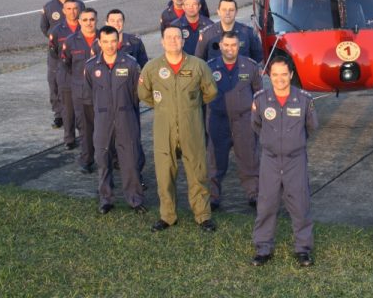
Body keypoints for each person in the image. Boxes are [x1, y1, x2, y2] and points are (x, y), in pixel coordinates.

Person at [138, 26, 218, 233]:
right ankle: (167, 215)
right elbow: (144, 94)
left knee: (197, 170)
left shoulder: (198, 66)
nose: (173, 40)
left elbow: (210, 92)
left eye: (177, 37)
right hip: (164, 128)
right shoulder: (152, 68)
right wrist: (166, 108)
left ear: (183, 41)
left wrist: (188, 107)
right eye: (169, 37)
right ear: (162, 42)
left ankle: (203, 215)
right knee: (164, 173)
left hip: (191, 126)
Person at [250, 56, 318, 267]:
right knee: (266, 204)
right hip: (270, 160)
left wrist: (292, 143)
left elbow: (311, 127)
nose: (279, 79)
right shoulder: (260, 99)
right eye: (275, 74)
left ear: (291, 75)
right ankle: (263, 247)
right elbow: (256, 125)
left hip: (295, 160)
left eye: (283, 74)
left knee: (299, 204)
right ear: (269, 76)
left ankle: (303, 248)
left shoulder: (304, 99)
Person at [84, 26, 146, 215]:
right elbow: (89, 94)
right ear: (99, 43)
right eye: (105, 41)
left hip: (126, 118)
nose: (110, 45)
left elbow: (138, 94)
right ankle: (106, 199)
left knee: (130, 160)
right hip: (103, 119)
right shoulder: (91, 66)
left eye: (113, 41)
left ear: (118, 41)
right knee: (103, 159)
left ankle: (134, 199)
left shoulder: (130, 64)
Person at [206, 32, 264, 211]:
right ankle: (213, 196)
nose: (230, 49)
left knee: (249, 158)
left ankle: (254, 194)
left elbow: (258, 93)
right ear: (220, 46)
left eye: (233, 45)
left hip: (244, 121)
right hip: (218, 121)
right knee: (215, 160)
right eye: (226, 45)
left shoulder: (250, 66)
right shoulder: (209, 67)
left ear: (238, 46)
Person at [41, 0, 85, 129]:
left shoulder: (79, 5)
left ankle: (79, 114)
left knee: (77, 82)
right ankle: (59, 115)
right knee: (54, 83)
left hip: (76, 52)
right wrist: (56, 40)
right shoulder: (49, 7)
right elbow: (44, 27)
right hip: (56, 53)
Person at [62, 7, 99, 173]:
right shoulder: (70, 41)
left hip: (102, 92)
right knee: (85, 128)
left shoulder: (105, 38)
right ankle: (87, 159)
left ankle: (112, 158)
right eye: (85, 20)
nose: (89, 23)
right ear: (79, 22)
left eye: (92, 19)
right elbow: (67, 65)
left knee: (108, 127)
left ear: (96, 21)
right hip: (81, 92)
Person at [48, 0, 81, 150]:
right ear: (63, 11)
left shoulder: (86, 26)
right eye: (69, 8)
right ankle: (69, 139)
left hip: (83, 75)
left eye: (75, 8)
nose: (72, 11)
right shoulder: (57, 31)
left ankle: (86, 136)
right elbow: (54, 52)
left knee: (85, 108)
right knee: (68, 110)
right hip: (66, 75)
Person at [195, 0, 263, 63]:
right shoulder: (207, 34)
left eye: (231, 10)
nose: (227, 13)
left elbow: (257, 58)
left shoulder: (248, 33)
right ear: (218, 12)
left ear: (236, 12)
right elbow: (199, 59)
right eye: (224, 10)